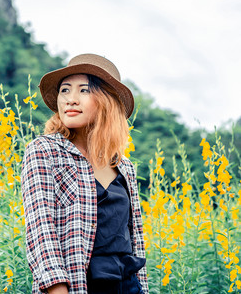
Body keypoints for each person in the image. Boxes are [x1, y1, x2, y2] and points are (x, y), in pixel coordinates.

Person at [21, 54, 148, 294]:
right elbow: (41, 230)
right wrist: (58, 289)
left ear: (106, 100)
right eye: (65, 90)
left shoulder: (125, 167)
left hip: (128, 286)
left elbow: (135, 240)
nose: (70, 99)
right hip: (80, 285)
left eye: (84, 90)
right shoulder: (44, 151)